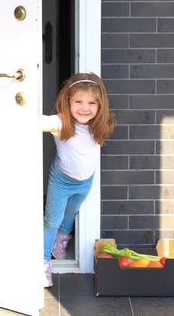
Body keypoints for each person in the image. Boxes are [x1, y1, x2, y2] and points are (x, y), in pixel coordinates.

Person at [39, 72, 115, 288]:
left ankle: (59, 243)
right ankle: (43, 262)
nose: (85, 108)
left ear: (100, 105)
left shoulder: (99, 124)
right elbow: (38, 122)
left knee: (71, 212)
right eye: (78, 102)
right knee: (52, 219)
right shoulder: (61, 122)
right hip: (62, 180)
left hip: (85, 181)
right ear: (67, 102)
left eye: (92, 103)